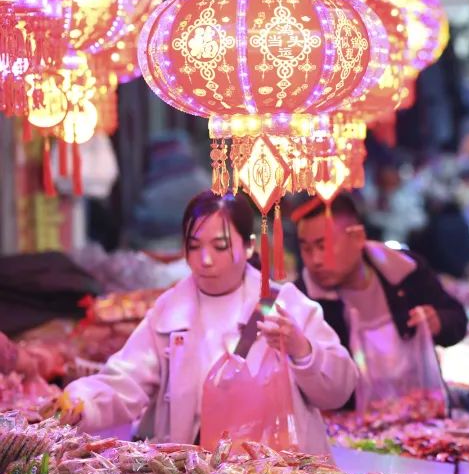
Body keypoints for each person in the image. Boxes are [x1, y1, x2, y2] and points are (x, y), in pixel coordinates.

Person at [49, 191, 357, 455]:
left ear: (249, 247)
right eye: (194, 247)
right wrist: (82, 400)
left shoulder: (285, 305)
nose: (205, 260)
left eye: (220, 246)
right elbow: (126, 380)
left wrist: (302, 350)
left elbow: (339, 390)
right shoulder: (171, 309)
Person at [294, 195, 468, 407]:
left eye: (324, 246)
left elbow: (457, 319)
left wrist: (438, 321)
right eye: (306, 249)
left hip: (421, 417)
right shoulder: (300, 299)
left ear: (357, 238)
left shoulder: (405, 269)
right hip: (350, 429)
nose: (316, 260)